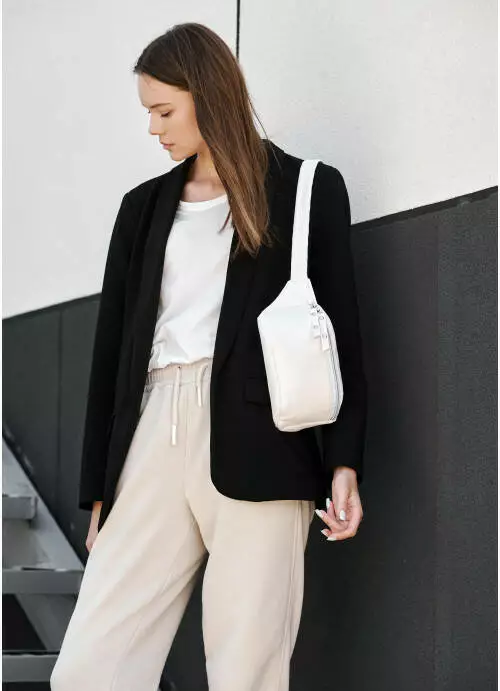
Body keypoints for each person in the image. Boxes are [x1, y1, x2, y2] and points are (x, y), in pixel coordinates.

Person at [50, 21, 367, 691]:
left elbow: (341, 334)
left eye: (164, 111)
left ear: (208, 93)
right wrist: (100, 489)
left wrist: (343, 461)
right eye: (149, 113)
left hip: (264, 440)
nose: (153, 128)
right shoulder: (142, 209)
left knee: (247, 669)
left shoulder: (305, 189)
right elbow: (112, 355)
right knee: (89, 668)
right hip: (155, 430)